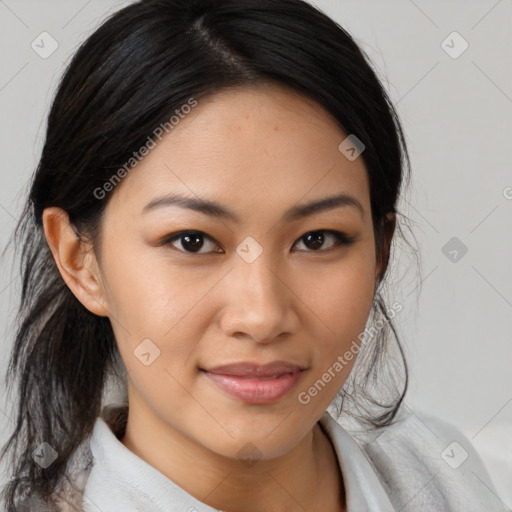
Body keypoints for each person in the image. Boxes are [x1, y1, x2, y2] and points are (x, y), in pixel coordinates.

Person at [0, 0, 506, 511]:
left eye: (317, 239)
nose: (263, 316)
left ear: (380, 250)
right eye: (192, 241)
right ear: (80, 260)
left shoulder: (444, 475)